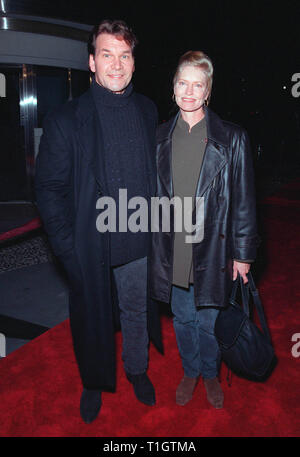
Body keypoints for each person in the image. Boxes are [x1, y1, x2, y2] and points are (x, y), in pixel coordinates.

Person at [35, 19, 162, 423]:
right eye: (107, 54)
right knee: (92, 318)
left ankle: (137, 369)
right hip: (90, 244)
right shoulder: (65, 119)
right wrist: (68, 251)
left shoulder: (147, 109)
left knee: (137, 313)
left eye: (124, 55)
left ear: (133, 62)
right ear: (91, 62)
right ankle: (94, 382)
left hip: (140, 238)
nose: (116, 64)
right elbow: (49, 191)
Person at [150, 51, 259, 409]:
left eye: (198, 85)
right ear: (174, 86)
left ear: (208, 90)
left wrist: (243, 255)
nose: (190, 91)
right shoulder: (159, 136)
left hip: (214, 249)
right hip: (174, 249)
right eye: (183, 82)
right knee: (182, 317)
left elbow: (244, 201)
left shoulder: (232, 138)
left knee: (209, 321)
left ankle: (210, 373)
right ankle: (190, 370)